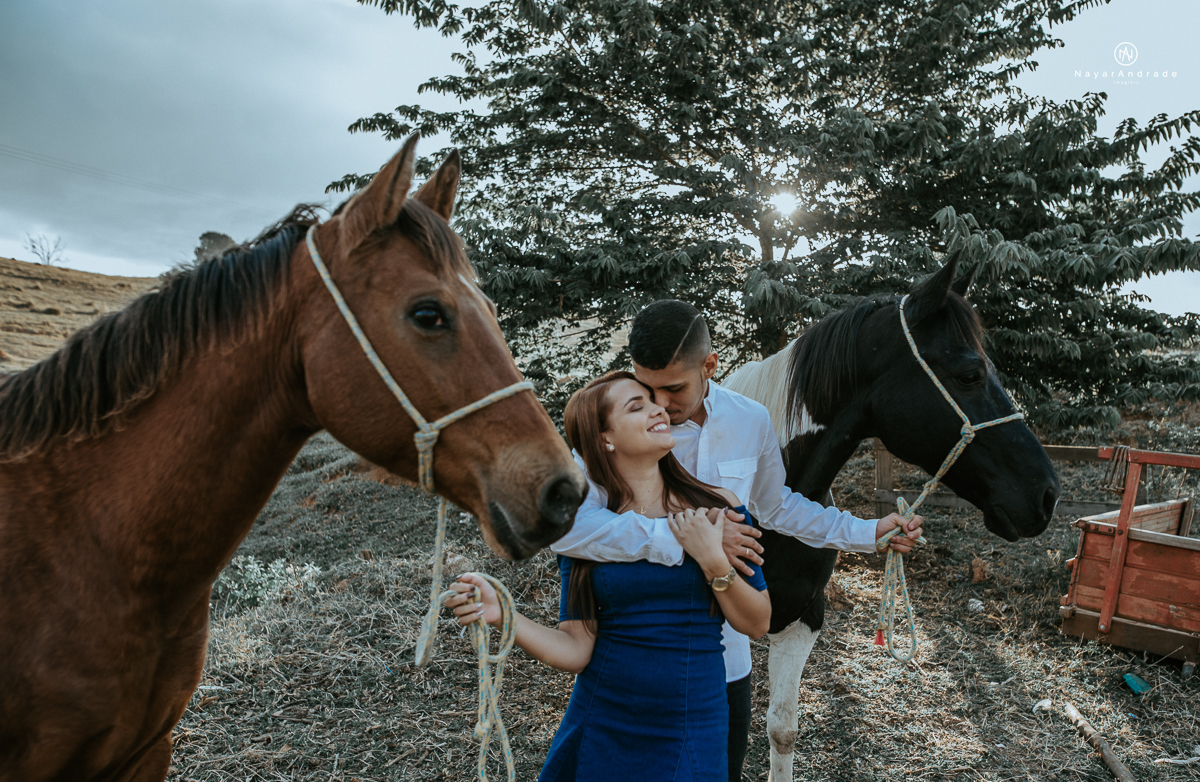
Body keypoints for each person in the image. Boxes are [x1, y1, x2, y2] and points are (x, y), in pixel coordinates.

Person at [551, 300, 924, 782]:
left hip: (724, 664)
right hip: (636, 661)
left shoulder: (750, 421)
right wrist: (688, 537)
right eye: (647, 388)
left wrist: (864, 532)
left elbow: (777, 506)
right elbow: (568, 527)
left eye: (673, 388)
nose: (660, 404)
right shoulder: (627, 434)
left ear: (710, 366)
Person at [444, 371, 771, 782]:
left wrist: (712, 561)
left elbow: (757, 622)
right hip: (602, 720)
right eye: (637, 406)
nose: (659, 410)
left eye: (654, 401)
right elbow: (576, 648)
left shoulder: (718, 510)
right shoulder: (589, 534)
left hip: (690, 722)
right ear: (605, 440)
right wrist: (502, 615)